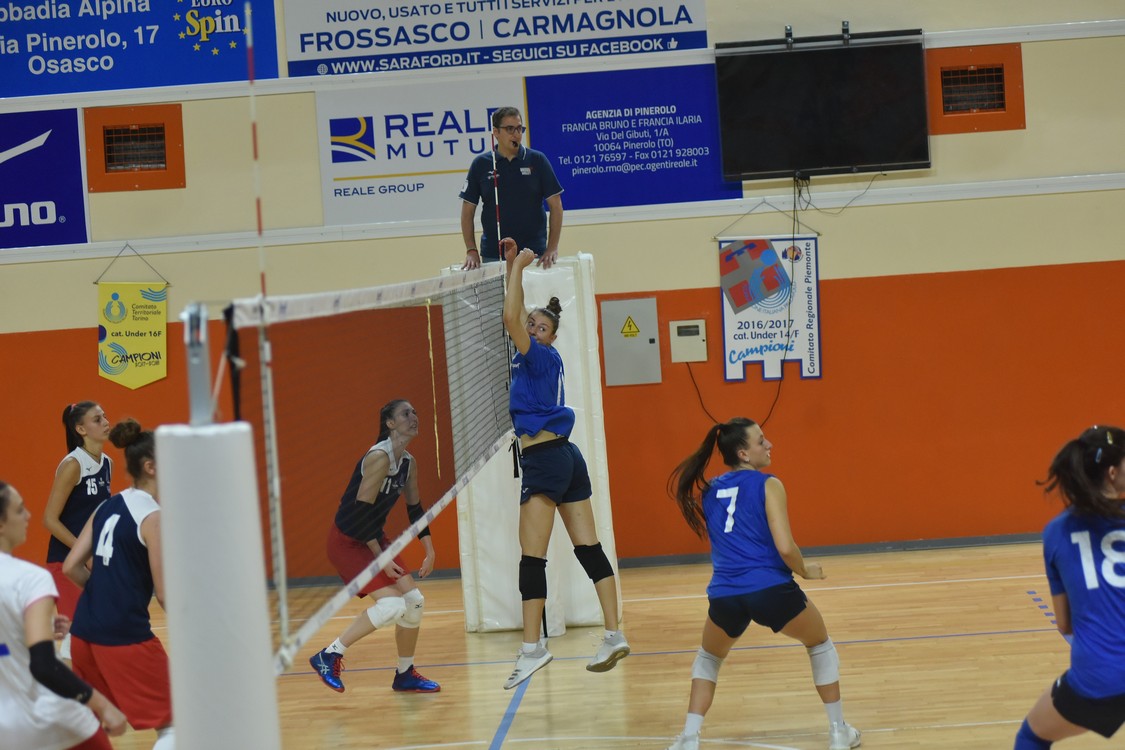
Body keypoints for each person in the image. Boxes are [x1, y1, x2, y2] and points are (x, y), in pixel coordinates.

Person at [665, 418, 860, 750]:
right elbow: (785, 546)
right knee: (819, 644)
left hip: (725, 595)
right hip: (770, 589)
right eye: (761, 441)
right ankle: (838, 732)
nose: (769, 445)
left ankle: (688, 738)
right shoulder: (769, 484)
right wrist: (805, 571)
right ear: (743, 453)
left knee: (708, 658)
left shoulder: (709, 491)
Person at [500, 242, 629, 690]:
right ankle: (613, 635)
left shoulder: (536, 356)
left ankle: (531, 650)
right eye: (533, 325)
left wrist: (519, 266)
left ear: (552, 338)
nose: (533, 329)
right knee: (589, 549)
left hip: (544, 461)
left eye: (542, 327)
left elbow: (510, 318)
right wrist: (514, 270)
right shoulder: (542, 358)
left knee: (531, 560)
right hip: (567, 458)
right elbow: (516, 316)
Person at [309, 399, 440, 694]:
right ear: (390, 424)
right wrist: (381, 559)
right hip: (347, 541)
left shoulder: (408, 463)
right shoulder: (379, 457)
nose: (414, 416)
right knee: (392, 605)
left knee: (414, 601)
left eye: (415, 412)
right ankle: (329, 655)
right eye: (405, 413)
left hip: (372, 538)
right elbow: (360, 512)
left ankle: (405, 674)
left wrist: (429, 550)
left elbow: (415, 509)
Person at [63, 419, 175, 750]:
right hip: (124, 637)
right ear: (151, 467)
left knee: (89, 728)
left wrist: (103, 594)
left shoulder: (107, 505)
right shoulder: (153, 517)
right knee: (176, 723)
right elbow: (164, 594)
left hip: (83, 634)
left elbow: (71, 566)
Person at [1014, 425, 1125, 749]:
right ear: (1112, 472)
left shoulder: (1056, 531)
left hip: (1100, 677)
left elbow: (1064, 624)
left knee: (1031, 738)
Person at [0, 479, 127, 750]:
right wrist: (102, 705)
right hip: (53, 719)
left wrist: (23, 629)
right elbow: (44, 665)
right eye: (20, 510)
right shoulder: (31, 578)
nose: (28, 516)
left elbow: (5, 646)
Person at [43, 402, 113, 661]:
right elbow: (49, 520)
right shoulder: (73, 464)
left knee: (95, 635)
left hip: (91, 562)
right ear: (81, 429)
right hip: (66, 561)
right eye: (97, 419)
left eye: (104, 416)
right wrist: (83, 553)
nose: (106, 422)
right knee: (76, 637)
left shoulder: (107, 463)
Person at [459, 106, 563, 270]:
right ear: (496, 132)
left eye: (519, 128)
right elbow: (467, 210)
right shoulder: (481, 164)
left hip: (533, 254)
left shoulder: (537, 160)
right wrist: (471, 250)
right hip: (494, 255)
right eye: (509, 129)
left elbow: (556, 206)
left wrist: (552, 247)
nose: (516, 134)